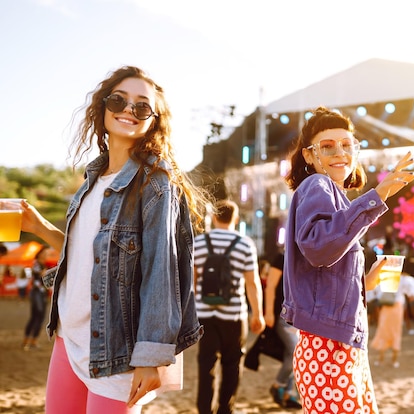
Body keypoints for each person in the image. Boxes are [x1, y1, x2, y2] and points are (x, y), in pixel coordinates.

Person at [17, 66, 207, 414]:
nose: (128, 110)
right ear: (103, 107)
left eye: (141, 106)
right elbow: (91, 256)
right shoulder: (93, 178)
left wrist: (151, 358)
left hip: (117, 349)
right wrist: (41, 226)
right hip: (68, 337)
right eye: (118, 100)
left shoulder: (156, 183)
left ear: (155, 119)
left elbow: (160, 274)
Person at [281, 106, 414, 413]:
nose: (339, 151)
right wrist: (376, 195)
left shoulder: (337, 198)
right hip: (327, 345)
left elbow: (328, 281)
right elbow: (317, 248)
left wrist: (370, 277)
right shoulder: (318, 184)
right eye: (327, 146)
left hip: (340, 342)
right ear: (309, 156)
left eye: (347, 144)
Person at [193, 199, 265, 414]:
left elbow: (193, 280)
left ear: (214, 217)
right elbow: (252, 283)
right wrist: (258, 314)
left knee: (206, 365)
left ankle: (204, 410)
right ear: (235, 219)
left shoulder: (200, 242)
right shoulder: (245, 244)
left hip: (204, 314)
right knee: (232, 364)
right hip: (234, 315)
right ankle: (225, 409)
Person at [263, 251, 301, 409]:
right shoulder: (282, 257)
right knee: (296, 352)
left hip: (299, 317)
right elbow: (270, 286)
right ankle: (278, 385)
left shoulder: (309, 257)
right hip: (282, 315)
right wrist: (269, 312)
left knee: (290, 354)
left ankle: (289, 394)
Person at [370, 273, 414, 367]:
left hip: (386, 306)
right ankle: (394, 360)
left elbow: (374, 292)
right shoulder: (404, 278)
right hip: (397, 306)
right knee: (396, 332)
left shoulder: (384, 275)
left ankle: (381, 359)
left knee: (383, 331)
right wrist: (410, 298)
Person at [22, 246, 51, 350]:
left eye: (47, 253)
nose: (46, 255)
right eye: (44, 253)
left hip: (43, 294)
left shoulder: (44, 266)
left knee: (40, 316)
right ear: (39, 254)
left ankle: (33, 340)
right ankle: (27, 340)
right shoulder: (35, 264)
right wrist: (41, 273)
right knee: (37, 315)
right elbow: (29, 273)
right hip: (36, 293)